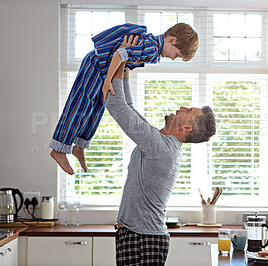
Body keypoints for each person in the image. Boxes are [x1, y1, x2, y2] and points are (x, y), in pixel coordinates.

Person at [105, 40, 216, 265]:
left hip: (142, 237)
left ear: (187, 128)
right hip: (140, 234)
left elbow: (116, 106)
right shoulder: (162, 143)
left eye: (188, 110)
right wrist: (124, 66)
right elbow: (130, 109)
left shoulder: (160, 147)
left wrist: (120, 56)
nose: (182, 107)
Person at [49, 23, 199, 175]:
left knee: (97, 108)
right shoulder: (152, 47)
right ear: (172, 40)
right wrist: (108, 79)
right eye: (177, 55)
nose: (174, 58)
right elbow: (119, 54)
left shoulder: (153, 50)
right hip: (95, 64)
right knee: (81, 104)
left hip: (102, 68)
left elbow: (125, 60)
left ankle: (80, 145)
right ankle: (60, 147)